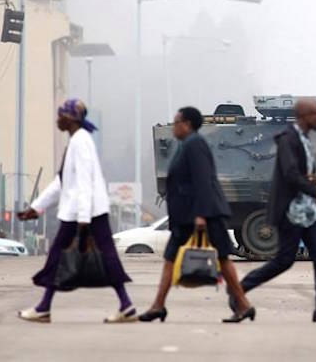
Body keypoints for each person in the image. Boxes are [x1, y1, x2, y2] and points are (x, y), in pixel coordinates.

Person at [231, 98, 316, 323]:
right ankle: (237, 291)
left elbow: (300, 172)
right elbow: (290, 173)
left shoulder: (303, 139)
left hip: (306, 209)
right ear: (305, 116)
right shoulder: (289, 139)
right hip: (291, 209)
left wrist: (311, 180)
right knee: (284, 260)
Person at [17, 99, 136, 323]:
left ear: (70, 118)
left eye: (60, 115)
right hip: (87, 211)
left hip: (83, 213)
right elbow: (62, 182)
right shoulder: (77, 141)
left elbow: (84, 181)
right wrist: (36, 208)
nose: (57, 119)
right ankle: (126, 305)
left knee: (59, 255)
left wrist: (82, 220)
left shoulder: (81, 141)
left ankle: (44, 307)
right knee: (106, 255)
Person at [138, 106, 254, 323]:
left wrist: (201, 214)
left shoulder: (195, 145)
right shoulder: (186, 145)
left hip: (202, 215)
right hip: (189, 215)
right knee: (172, 258)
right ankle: (158, 305)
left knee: (221, 258)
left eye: (177, 122)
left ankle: (243, 304)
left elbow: (203, 179)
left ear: (187, 124)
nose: (174, 126)